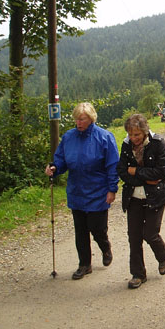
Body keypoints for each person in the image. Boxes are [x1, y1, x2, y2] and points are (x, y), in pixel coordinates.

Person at [45, 103, 119, 280]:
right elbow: (61, 159)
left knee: (97, 227)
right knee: (80, 230)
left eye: (82, 119)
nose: (78, 122)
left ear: (91, 119)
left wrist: (112, 189)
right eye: (76, 119)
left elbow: (112, 166)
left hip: (98, 191)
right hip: (77, 190)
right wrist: (54, 168)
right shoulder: (69, 137)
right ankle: (84, 264)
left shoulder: (104, 137)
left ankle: (105, 246)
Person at [116, 114, 165, 289]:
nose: (134, 139)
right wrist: (144, 176)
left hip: (155, 196)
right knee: (134, 237)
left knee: (150, 233)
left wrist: (135, 171)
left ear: (145, 132)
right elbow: (122, 171)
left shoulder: (157, 143)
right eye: (131, 135)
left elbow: (160, 172)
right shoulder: (126, 145)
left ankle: (163, 255)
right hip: (133, 197)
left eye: (137, 135)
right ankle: (138, 274)